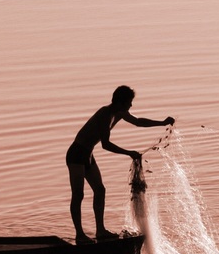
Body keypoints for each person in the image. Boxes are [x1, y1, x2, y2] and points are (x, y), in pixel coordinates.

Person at [66, 85, 174, 243]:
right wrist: (129, 152)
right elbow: (106, 144)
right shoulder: (105, 114)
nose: (131, 105)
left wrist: (162, 122)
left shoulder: (120, 112)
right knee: (78, 194)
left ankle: (100, 230)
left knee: (100, 190)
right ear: (121, 102)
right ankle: (80, 235)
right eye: (129, 102)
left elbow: (138, 122)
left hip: (88, 154)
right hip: (76, 154)